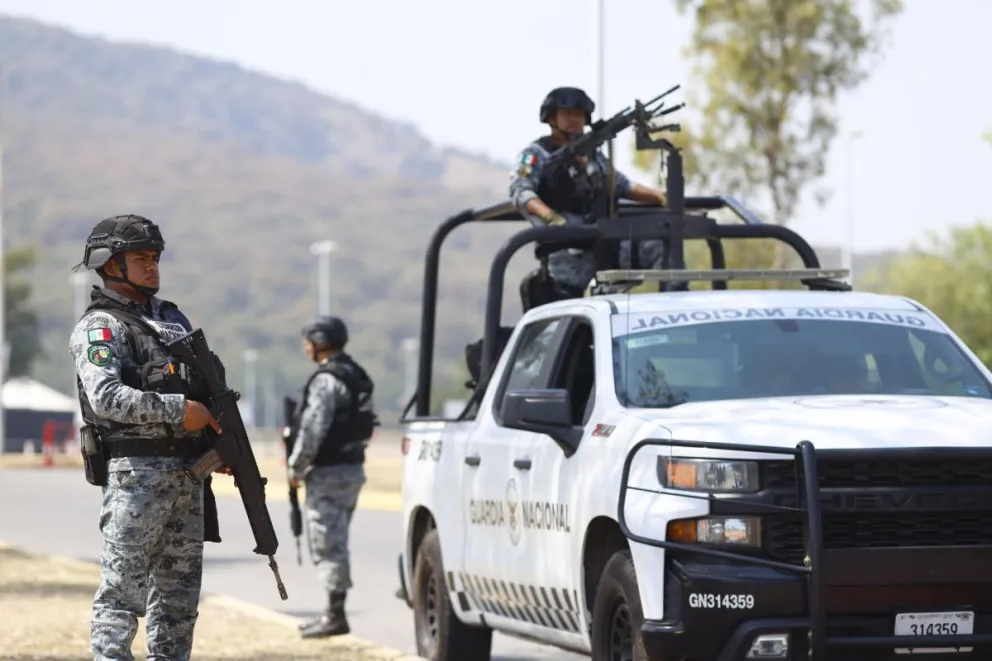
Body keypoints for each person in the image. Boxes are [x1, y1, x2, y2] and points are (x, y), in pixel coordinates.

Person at [69, 214, 230, 661]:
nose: (153, 266)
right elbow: (106, 397)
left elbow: (207, 388)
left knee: (179, 605)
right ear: (110, 264)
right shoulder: (101, 326)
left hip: (189, 476)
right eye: (141, 258)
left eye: (155, 257)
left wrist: (219, 444)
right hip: (135, 479)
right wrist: (181, 411)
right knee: (121, 599)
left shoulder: (172, 320)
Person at [509, 86, 677, 310]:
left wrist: (661, 197)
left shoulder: (592, 155)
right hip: (566, 249)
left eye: (579, 115)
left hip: (603, 242)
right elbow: (521, 191)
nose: (574, 119)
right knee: (566, 312)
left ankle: (674, 310)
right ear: (551, 118)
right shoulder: (536, 154)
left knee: (662, 250)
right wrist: (550, 217)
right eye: (568, 113)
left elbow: (622, 185)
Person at [288, 315, 377, 639]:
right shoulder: (356, 374)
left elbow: (314, 427)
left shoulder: (327, 379)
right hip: (352, 468)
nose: (305, 347)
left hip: (328, 473)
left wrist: (296, 467)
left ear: (320, 342)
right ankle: (332, 611)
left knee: (328, 543)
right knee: (336, 540)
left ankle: (335, 615)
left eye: (308, 342)